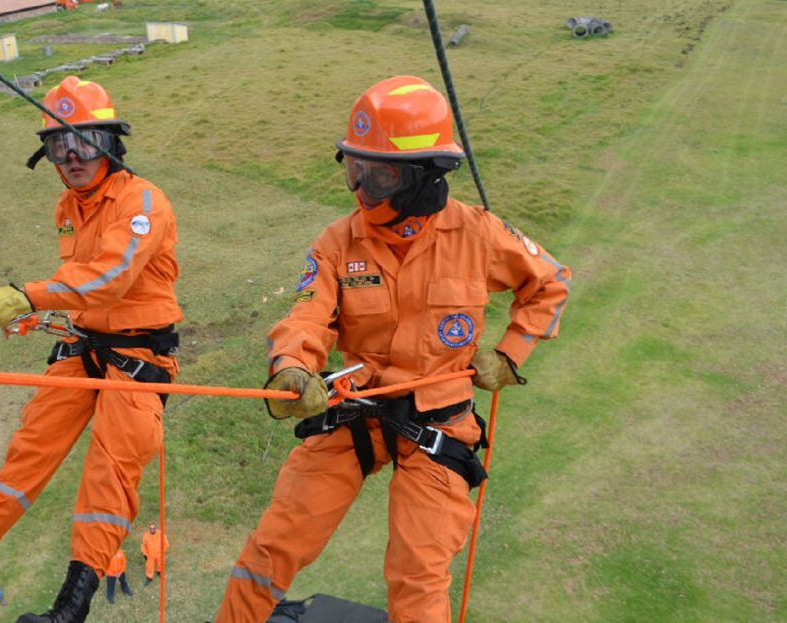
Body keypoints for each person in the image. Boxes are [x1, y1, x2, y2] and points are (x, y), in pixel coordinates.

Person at [213, 75, 571, 623]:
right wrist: (291, 368)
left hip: (439, 422)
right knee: (272, 547)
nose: (363, 189)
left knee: (419, 574)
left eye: (379, 174)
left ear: (425, 180)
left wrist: (510, 354)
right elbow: (308, 315)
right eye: (356, 170)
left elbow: (549, 282)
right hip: (356, 411)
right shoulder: (337, 244)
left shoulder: (479, 235)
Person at [0, 76, 183, 623]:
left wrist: (27, 295)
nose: (70, 155)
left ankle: (71, 608)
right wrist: (36, 312)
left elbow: (113, 277)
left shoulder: (144, 202)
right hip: (83, 345)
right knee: (28, 451)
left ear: (113, 144)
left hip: (140, 360)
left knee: (108, 477)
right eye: (56, 145)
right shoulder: (68, 208)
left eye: (83, 141)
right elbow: (79, 280)